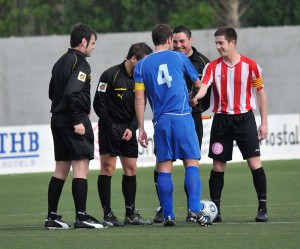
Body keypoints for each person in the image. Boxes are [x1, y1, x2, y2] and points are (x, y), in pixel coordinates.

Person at [134, 23, 211, 227]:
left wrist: (141, 128)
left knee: (164, 167)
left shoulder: (142, 65)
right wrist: (192, 97)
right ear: (169, 40)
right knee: (191, 163)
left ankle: (168, 215)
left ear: (153, 40)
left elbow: (139, 99)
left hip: (161, 120)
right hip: (183, 116)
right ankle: (194, 210)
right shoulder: (179, 57)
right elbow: (197, 84)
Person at [191, 27, 268, 222]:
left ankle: (262, 208)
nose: (217, 47)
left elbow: (260, 93)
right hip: (222, 121)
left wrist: (264, 123)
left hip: (245, 119)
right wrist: (195, 97)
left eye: (220, 43)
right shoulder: (212, 67)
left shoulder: (251, 66)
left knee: (254, 163)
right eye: (216, 43)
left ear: (232, 43)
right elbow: (204, 86)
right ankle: (216, 211)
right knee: (218, 166)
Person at [45, 23, 108, 229]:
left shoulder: (60, 61)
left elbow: (52, 93)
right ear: (83, 42)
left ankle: (51, 217)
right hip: (73, 120)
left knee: (61, 168)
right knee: (81, 166)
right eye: (93, 43)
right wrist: (77, 119)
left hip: (57, 118)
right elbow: (72, 92)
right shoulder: (81, 63)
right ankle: (81, 217)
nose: (94, 47)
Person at [93, 43, 153, 226]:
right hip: (109, 128)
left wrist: (132, 127)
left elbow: (141, 105)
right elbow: (98, 103)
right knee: (108, 169)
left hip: (128, 128)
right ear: (133, 58)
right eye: (143, 62)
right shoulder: (109, 75)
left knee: (131, 169)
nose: (145, 67)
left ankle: (130, 213)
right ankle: (107, 214)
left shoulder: (141, 78)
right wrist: (111, 127)